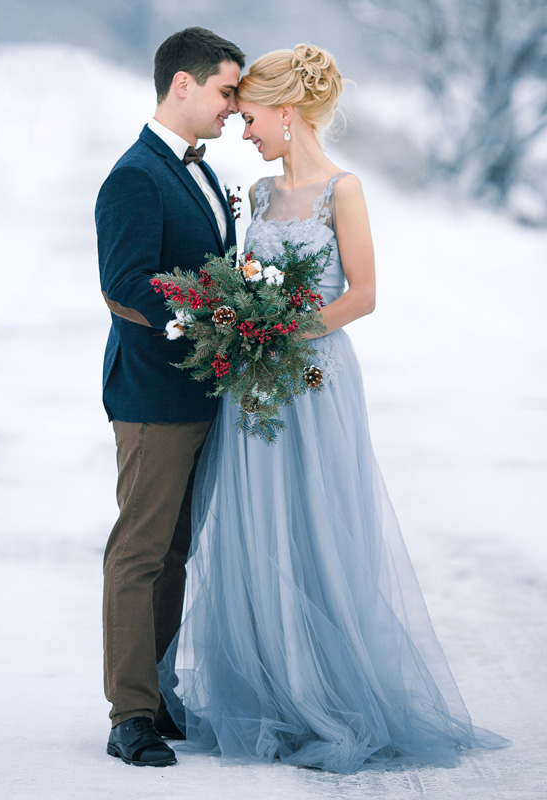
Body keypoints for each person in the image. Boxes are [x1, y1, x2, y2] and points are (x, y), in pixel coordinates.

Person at [158, 44, 510, 772]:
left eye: (251, 117)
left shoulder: (342, 189)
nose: (243, 130)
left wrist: (279, 332)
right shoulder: (254, 196)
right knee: (257, 527)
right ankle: (269, 687)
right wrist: (241, 329)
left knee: (315, 521)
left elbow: (362, 294)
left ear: (287, 113)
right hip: (255, 384)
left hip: (313, 377)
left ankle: (326, 691)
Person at [94, 27, 245, 767]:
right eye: (225, 91)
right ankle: (128, 716)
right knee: (139, 551)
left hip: (200, 394)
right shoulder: (135, 175)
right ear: (181, 84)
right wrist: (208, 322)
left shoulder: (207, 175)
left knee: (175, 553)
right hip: (152, 394)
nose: (232, 107)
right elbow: (124, 285)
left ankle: (156, 692)